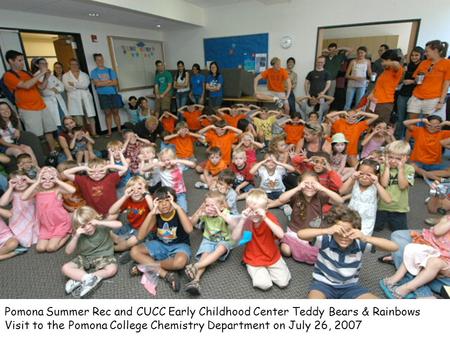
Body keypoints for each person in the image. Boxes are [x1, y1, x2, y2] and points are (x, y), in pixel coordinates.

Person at [298, 205, 398, 299]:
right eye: (340, 232)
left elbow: (394, 247)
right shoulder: (326, 240)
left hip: (349, 286)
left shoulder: (359, 244)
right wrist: (326, 230)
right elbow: (301, 234)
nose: (344, 236)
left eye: (349, 232)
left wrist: (365, 238)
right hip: (323, 284)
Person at [130, 187, 193, 292]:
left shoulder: (179, 211)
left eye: (167, 200)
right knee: (134, 251)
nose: (164, 204)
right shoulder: (156, 215)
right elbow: (140, 237)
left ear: (173, 201)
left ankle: (146, 266)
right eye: (160, 201)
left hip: (180, 246)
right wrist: (151, 213)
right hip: (161, 244)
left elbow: (189, 229)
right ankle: (166, 274)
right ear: (156, 203)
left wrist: (177, 208)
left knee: (180, 263)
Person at [231, 189, 291, 291]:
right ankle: (249, 264)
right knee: (264, 285)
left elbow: (281, 235)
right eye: (251, 210)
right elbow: (234, 238)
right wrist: (242, 219)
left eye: (258, 210)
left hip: (271, 255)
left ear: (266, 208)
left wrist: (265, 218)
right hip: (253, 256)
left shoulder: (270, 218)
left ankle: (270, 269)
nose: (254, 214)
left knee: (283, 282)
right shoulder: (246, 220)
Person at [381, 216, 450, 299]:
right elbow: (437, 231)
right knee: (409, 246)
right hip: (433, 249)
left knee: (433, 263)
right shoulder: (447, 219)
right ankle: (398, 276)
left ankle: (414, 288)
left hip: (444, 263)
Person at [3, 50, 58, 151]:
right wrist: (41, 73)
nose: (22, 63)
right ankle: (39, 157)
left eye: (22, 60)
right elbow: (26, 85)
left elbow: (41, 87)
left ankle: (53, 153)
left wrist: (46, 76)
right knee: (35, 135)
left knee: (49, 131)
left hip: (41, 106)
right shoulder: (8, 75)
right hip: (28, 109)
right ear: (10, 61)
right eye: (19, 60)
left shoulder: (26, 73)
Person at [62, 206, 121, 298]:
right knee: (65, 268)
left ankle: (84, 278)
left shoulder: (101, 226)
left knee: (112, 269)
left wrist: (99, 222)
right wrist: (76, 236)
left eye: (89, 223)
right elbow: (68, 251)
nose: (88, 228)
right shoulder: (79, 234)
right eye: (83, 226)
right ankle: (86, 278)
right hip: (85, 257)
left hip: (104, 256)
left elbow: (119, 224)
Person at [184, 191, 234, 295]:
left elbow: (234, 225)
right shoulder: (205, 214)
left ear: (221, 206)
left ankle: (196, 266)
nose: (210, 208)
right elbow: (192, 224)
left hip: (224, 240)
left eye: (213, 205)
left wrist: (221, 214)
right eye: (207, 205)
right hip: (208, 239)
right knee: (205, 255)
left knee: (221, 248)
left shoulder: (225, 213)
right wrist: (199, 212)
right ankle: (195, 281)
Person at [21, 166, 75, 253]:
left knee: (51, 248)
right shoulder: (37, 190)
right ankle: (55, 235)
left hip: (60, 223)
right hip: (46, 225)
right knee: (40, 248)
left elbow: (72, 190)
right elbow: (23, 197)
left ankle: (67, 234)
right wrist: (37, 182)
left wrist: (57, 180)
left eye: (51, 179)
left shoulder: (57, 190)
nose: (47, 181)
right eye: (43, 178)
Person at [375, 141, 414, 232]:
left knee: (400, 231)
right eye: (390, 157)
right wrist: (387, 167)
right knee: (376, 228)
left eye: (398, 159)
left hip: (399, 208)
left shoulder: (409, 169)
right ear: (386, 156)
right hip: (382, 206)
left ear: (406, 158)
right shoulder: (382, 167)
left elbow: (403, 186)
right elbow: (384, 184)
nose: (393, 161)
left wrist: (400, 169)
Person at [407, 40, 450, 121]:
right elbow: (416, 79)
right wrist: (417, 79)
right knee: (411, 124)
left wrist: (441, 102)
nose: (425, 53)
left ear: (436, 51)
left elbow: (446, 83)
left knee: (429, 124)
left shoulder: (447, 63)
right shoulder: (423, 63)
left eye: (427, 51)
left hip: (433, 99)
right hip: (416, 97)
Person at [0, 171, 38, 248]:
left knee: (38, 234)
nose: (20, 183)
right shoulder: (13, 194)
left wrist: (31, 181)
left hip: (33, 217)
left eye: (23, 180)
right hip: (18, 219)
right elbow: (2, 203)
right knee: (23, 240)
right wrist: (10, 188)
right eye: (15, 182)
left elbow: (40, 185)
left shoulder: (33, 190)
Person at [62, 58, 97, 137]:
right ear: (69, 65)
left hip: (86, 97)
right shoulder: (65, 76)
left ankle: (94, 133)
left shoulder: (84, 75)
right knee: (78, 118)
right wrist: (79, 85)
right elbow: (67, 87)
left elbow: (85, 85)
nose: (74, 66)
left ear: (78, 65)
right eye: (72, 64)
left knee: (90, 116)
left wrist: (74, 84)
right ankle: (82, 134)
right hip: (74, 99)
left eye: (76, 64)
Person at [395, 47, 424, 138]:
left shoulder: (423, 66)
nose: (414, 57)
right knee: (400, 118)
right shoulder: (407, 65)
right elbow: (400, 79)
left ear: (421, 56)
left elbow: (422, 81)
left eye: (416, 55)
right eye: (412, 55)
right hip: (403, 94)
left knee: (411, 120)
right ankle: (397, 138)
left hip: (415, 96)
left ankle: (409, 140)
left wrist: (412, 81)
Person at [90, 53, 122, 137]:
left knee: (116, 112)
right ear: (95, 61)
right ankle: (109, 132)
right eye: (98, 59)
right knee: (107, 113)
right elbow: (97, 85)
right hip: (102, 95)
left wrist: (102, 83)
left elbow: (115, 83)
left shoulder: (110, 70)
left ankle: (119, 130)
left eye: (101, 59)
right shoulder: (94, 72)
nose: (100, 61)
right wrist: (109, 81)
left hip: (113, 94)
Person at [367, 50, 403, 123]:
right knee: (369, 124)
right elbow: (378, 86)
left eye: (383, 61)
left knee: (379, 126)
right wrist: (371, 95)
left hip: (384, 103)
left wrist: (387, 62)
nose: (382, 63)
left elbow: (396, 64)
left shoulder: (396, 70)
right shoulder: (385, 71)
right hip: (374, 101)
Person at [32, 58, 68, 129]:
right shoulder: (36, 76)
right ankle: (59, 137)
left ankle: (66, 136)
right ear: (37, 65)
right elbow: (43, 91)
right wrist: (53, 89)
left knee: (64, 118)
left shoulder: (50, 74)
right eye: (42, 63)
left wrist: (55, 89)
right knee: (55, 122)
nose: (45, 65)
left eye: (46, 63)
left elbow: (61, 86)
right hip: (49, 101)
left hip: (58, 99)